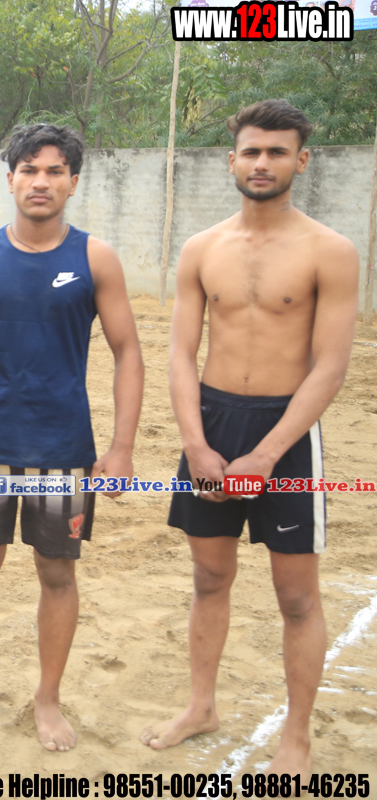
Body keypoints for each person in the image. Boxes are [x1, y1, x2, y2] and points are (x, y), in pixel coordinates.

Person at [141, 100, 358, 777]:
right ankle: (200, 706)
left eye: (277, 152)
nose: (262, 163)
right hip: (211, 422)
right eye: (252, 151)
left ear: (302, 160)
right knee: (209, 577)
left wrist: (266, 455)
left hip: (285, 432)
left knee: (296, 596)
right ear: (231, 158)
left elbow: (331, 366)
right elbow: (181, 353)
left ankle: (296, 737)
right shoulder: (202, 249)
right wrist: (196, 444)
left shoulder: (330, 250)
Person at [0, 123, 143, 751]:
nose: (41, 181)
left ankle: (47, 698)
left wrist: (120, 448)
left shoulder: (95, 259)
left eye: (54, 171)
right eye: (29, 170)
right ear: (10, 178)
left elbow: (127, 351)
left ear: (73, 181)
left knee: (57, 572)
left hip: (65, 450)